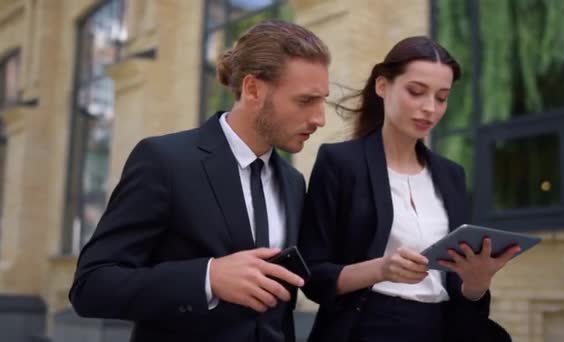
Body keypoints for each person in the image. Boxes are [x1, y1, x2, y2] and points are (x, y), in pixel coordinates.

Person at [69, 20, 330, 342]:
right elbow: (92, 285)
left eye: (323, 101)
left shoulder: (292, 182)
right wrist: (208, 278)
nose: (320, 118)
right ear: (253, 89)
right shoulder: (164, 160)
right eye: (305, 101)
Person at [298, 36, 517, 342]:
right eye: (416, 92)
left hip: (439, 328)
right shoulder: (340, 163)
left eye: (441, 98)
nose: (430, 108)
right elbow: (313, 277)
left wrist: (477, 283)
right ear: (382, 86)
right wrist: (381, 269)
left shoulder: (451, 175)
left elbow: (458, 291)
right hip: (365, 328)